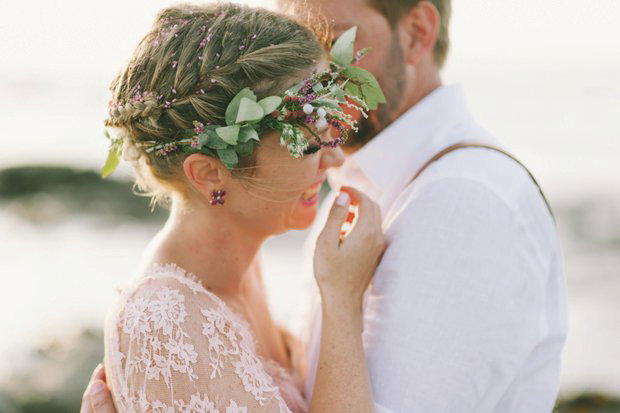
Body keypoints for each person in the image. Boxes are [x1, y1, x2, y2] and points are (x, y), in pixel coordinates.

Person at [84, 0, 568, 412]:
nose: (332, 150)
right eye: (306, 132)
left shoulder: (463, 203)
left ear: (418, 32)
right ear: (209, 172)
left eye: (335, 40)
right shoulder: (174, 314)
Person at [81, 3, 386, 412]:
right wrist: (341, 301)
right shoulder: (164, 323)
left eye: (328, 127)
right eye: (307, 140)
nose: (333, 160)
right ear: (208, 173)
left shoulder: (244, 274)